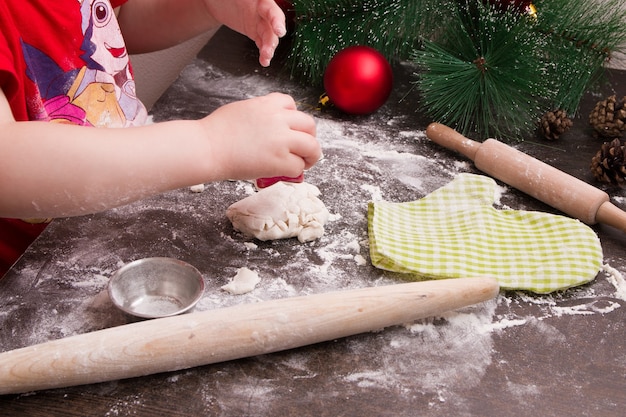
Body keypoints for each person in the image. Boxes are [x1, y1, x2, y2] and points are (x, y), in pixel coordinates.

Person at [0, 0, 321, 276]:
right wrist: (212, 144)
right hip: (30, 275)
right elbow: (6, 160)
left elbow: (112, 22)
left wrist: (205, 5)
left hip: (117, 205)